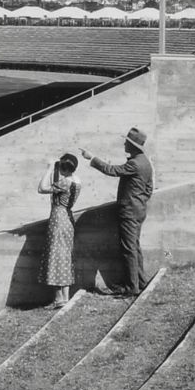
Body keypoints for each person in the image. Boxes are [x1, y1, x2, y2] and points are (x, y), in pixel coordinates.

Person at [83, 127, 154, 296]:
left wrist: (92, 158)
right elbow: (149, 189)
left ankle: (132, 287)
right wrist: (140, 201)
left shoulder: (134, 163)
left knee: (128, 249)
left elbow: (112, 170)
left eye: (127, 142)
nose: (124, 144)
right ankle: (141, 282)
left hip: (129, 212)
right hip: (139, 210)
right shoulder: (145, 162)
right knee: (134, 247)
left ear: (133, 146)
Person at [37, 152, 81, 306]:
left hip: (58, 219)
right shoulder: (76, 181)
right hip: (68, 219)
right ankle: (65, 297)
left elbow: (42, 188)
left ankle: (58, 298)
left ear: (64, 169)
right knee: (65, 257)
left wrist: (50, 168)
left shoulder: (65, 183)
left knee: (55, 256)